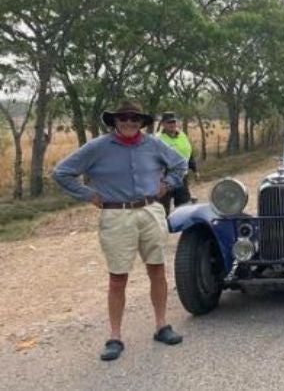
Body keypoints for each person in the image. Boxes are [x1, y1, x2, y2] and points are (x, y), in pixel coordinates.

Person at [52, 101, 188, 361]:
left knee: (157, 270)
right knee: (117, 278)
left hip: (151, 211)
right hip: (116, 215)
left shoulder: (153, 144)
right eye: (123, 118)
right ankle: (115, 337)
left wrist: (169, 183)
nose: (129, 122)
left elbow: (181, 163)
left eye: (134, 119)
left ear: (142, 122)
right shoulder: (98, 147)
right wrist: (88, 194)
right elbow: (62, 173)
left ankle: (161, 325)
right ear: (114, 121)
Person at [158, 111, 199, 213]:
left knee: (184, 208)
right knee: (163, 210)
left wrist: (195, 170)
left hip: (181, 177)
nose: (172, 124)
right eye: (169, 122)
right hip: (165, 178)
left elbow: (188, 153)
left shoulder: (182, 136)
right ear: (163, 124)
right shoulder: (158, 139)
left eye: (173, 122)